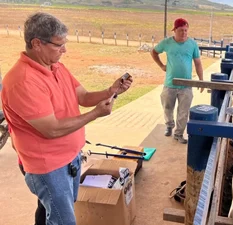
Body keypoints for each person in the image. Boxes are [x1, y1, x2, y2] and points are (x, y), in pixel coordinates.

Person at [1, 12, 132, 225]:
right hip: (48, 166)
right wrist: (95, 114)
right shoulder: (23, 81)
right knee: (63, 220)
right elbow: (51, 129)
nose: (65, 50)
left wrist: (111, 90)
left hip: (68, 158)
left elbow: (82, 96)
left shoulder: (56, 66)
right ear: (37, 44)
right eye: (59, 45)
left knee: (52, 212)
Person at [150, 18, 203, 144]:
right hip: (170, 84)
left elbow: (198, 63)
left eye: (186, 30)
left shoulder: (192, 44)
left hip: (186, 85)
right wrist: (162, 66)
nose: (184, 33)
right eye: (181, 31)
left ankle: (179, 134)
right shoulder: (167, 43)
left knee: (183, 112)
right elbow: (154, 52)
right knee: (167, 107)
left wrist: (201, 80)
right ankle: (169, 125)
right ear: (175, 30)